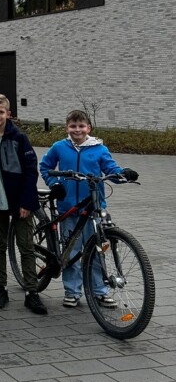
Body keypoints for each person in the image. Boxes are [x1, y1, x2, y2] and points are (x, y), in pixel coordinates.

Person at [39, 109, 138, 308]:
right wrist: (54, 183)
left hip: (93, 207)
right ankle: (72, 291)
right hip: (69, 207)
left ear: (89, 128)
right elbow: (45, 166)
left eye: (81, 126)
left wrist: (123, 174)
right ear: (67, 128)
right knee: (71, 251)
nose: (77, 130)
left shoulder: (99, 149)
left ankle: (99, 291)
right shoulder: (60, 147)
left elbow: (110, 169)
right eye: (73, 126)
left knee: (97, 250)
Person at [0, 94, 47, 314]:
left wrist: (27, 201)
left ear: (8, 113)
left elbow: (30, 170)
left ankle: (32, 292)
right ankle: (0, 288)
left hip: (19, 202)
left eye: (1, 112)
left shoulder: (19, 138)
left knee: (26, 246)